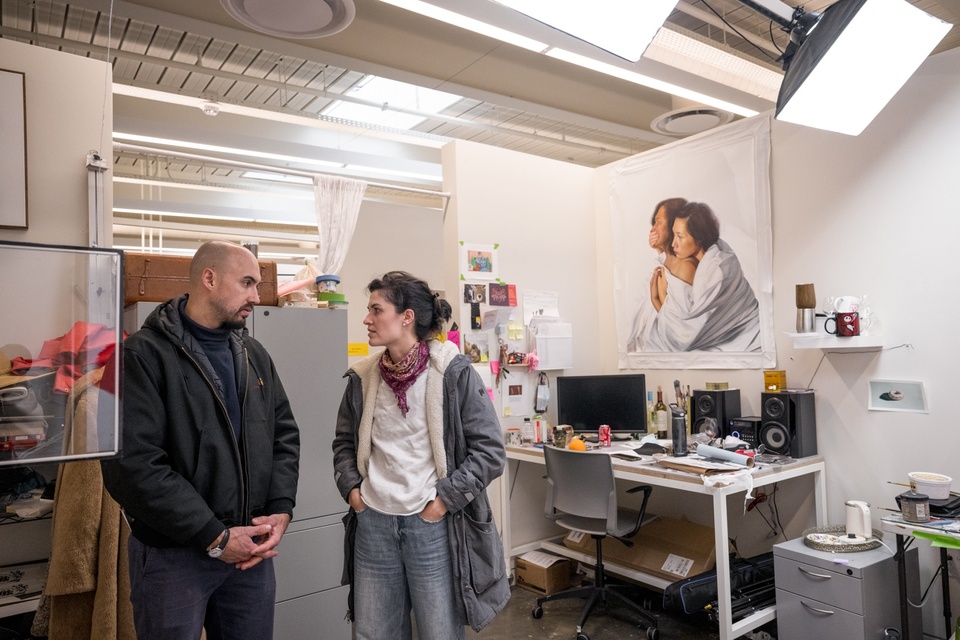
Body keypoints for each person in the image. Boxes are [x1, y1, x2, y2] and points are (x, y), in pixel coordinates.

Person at [101, 240, 300, 640]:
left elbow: (284, 435)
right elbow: (131, 465)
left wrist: (280, 509)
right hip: (173, 559)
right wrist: (213, 536)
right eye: (246, 283)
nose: (255, 297)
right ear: (209, 278)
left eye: (257, 285)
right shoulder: (137, 357)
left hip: (250, 556)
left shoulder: (254, 354)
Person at [332, 271, 509, 640]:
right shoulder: (363, 378)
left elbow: (490, 451)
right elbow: (343, 444)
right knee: (372, 634)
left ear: (407, 317)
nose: (366, 319)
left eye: (376, 310)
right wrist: (354, 492)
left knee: (438, 633)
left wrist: (443, 501)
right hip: (374, 524)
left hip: (430, 526)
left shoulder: (452, 373)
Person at [644, 202, 761, 352]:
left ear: (698, 238)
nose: (673, 243)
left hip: (748, 341)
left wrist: (656, 299)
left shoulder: (718, 271)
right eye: (674, 235)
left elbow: (683, 338)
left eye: (680, 236)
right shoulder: (709, 256)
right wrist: (660, 250)